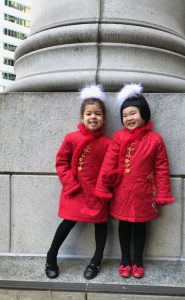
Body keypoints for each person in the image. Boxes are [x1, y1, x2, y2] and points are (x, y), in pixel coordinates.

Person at [94, 83, 174, 278]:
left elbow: (162, 168)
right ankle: (125, 259)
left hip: (144, 194)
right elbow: (108, 164)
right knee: (124, 226)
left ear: (143, 113)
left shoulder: (155, 139)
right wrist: (103, 188)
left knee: (140, 226)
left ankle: (138, 259)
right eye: (125, 115)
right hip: (122, 192)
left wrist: (163, 193)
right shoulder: (119, 137)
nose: (129, 118)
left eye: (133, 113)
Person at [45, 84, 110, 280]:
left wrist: (105, 188)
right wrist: (70, 183)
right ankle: (51, 257)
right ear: (81, 117)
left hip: (97, 193)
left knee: (101, 224)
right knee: (67, 223)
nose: (93, 117)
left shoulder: (108, 143)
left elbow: (111, 169)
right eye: (89, 113)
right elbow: (61, 163)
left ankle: (96, 260)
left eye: (98, 113)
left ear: (104, 118)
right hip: (74, 191)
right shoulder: (71, 138)